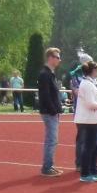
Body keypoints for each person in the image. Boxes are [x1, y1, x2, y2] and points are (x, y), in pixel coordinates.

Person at [73, 61, 97, 183]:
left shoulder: (89, 83)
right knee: (90, 146)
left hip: (92, 119)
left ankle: (93, 170)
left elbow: (94, 97)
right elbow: (90, 104)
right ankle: (85, 173)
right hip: (88, 120)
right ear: (93, 71)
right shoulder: (87, 84)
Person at [38, 47, 65, 177]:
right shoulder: (45, 74)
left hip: (52, 111)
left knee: (52, 139)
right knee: (52, 140)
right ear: (50, 58)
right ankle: (47, 167)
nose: (59, 60)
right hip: (49, 112)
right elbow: (45, 95)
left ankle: (49, 165)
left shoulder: (50, 73)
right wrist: (54, 110)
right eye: (57, 57)